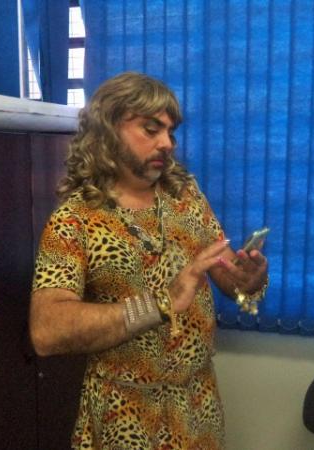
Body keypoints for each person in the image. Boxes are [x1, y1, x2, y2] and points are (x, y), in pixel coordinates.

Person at [29, 72, 269, 449]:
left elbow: (222, 266)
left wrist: (246, 279)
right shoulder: (74, 220)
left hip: (197, 403)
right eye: (151, 129)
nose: (167, 143)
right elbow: (47, 331)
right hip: (124, 412)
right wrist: (162, 303)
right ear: (108, 129)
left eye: (170, 132)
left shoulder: (184, 195)